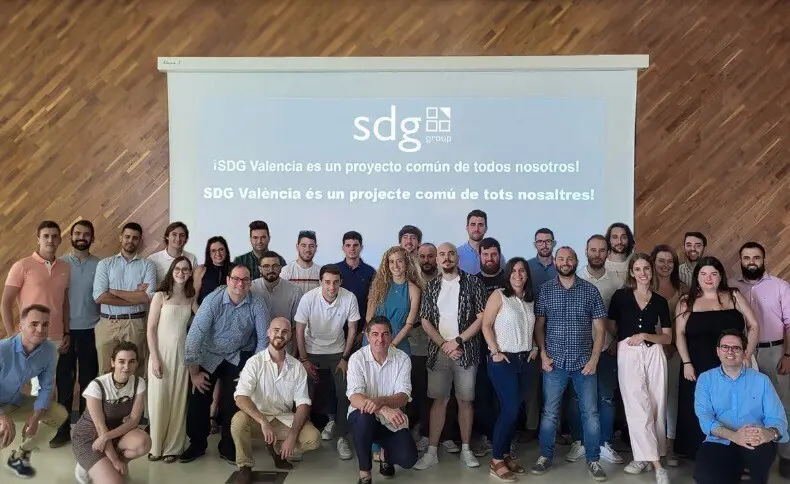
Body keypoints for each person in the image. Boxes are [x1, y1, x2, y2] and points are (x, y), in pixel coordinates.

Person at [530, 246, 608, 482]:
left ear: (576, 261)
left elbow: (600, 328)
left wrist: (594, 359)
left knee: (590, 413)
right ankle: (545, 456)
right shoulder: (545, 290)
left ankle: (593, 459)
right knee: (549, 413)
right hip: (554, 364)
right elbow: (539, 326)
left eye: (570, 259)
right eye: (561, 258)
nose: (565, 262)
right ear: (555, 262)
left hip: (585, 364)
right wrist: (543, 355)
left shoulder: (590, 290)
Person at [181, 264, 271, 463]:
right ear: (228, 280)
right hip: (209, 353)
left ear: (250, 282)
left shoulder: (257, 302)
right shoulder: (212, 301)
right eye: (236, 279)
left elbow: (263, 341)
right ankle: (197, 444)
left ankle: (229, 446)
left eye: (245, 279)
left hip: (238, 354)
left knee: (235, 398)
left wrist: (252, 372)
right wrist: (194, 373)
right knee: (199, 397)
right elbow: (194, 338)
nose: (240, 283)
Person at [674, 256, 760, 459]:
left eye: (713, 274)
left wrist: (747, 353)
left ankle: (736, 451)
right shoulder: (686, 301)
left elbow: (754, 325)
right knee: (700, 408)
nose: (709, 278)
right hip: (697, 363)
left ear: (721, 276)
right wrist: (686, 362)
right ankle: (700, 454)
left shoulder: (734, 295)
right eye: (703, 274)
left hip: (732, 362)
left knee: (734, 406)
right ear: (697, 277)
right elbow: (679, 334)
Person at [414, 242, 487, 470]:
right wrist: (444, 345)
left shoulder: (473, 282)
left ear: (457, 257)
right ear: (437, 259)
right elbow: (425, 320)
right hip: (439, 353)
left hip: (466, 351)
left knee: (465, 401)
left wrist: (458, 341)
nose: (446, 258)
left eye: (451, 254)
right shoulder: (432, 286)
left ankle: (466, 450)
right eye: (442, 254)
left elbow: (481, 317)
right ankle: (432, 452)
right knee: (439, 401)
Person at [231, 317, 321, 483]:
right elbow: (241, 397)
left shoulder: (297, 367)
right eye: (276, 330)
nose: (280, 334)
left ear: (290, 337)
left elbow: (303, 404)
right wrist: (263, 421)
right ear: (268, 333)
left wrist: (292, 436)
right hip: (258, 419)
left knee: (313, 438)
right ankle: (244, 466)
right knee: (238, 421)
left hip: (283, 418)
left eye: (285, 332)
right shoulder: (254, 362)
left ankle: (276, 450)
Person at [694, 329, 788, 484]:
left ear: (745, 353)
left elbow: (778, 419)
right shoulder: (705, 379)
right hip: (719, 440)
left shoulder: (762, 380)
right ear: (718, 351)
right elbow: (705, 418)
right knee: (706, 476)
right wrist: (734, 436)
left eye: (736, 348)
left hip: (755, 439)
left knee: (754, 475)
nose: (730, 352)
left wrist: (770, 433)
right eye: (725, 347)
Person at [609, 254, 672, 482]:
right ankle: (656, 465)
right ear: (631, 272)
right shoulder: (620, 296)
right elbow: (611, 325)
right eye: (638, 269)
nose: (643, 273)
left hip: (654, 352)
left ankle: (644, 457)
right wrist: (624, 340)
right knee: (637, 406)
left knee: (656, 405)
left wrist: (646, 335)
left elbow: (667, 338)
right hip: (628, 352)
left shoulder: (660, 301)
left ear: (651, 271)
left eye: (646, 268)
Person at [732, 241, 790, 477]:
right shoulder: (732, 288)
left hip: (774, 351)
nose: (751, 262)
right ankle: (749, 458)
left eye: (756, 258)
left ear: (764, 260)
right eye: (747, 258)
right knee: (747, 407)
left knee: (783, 405)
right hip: (742, 354)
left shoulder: (780, 286)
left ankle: (786, 456)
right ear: (741, 261)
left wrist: (788, 354)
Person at [295, 264, 360, 460]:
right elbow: (299, 330)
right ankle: (299, 437)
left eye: (335, 282)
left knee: (344, 392)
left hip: (337, 351)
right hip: (311, 350)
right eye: (327, 282)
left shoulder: (349, 297)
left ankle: (342, 437)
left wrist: (345, 358)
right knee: (304, 393)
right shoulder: (308, 298)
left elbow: (352, 330)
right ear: (320, 282)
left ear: (341, 282)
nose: (331, 287)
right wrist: (304, 359)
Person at [480, 257, 537, 482]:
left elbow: (531, 328)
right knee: (510, 409)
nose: (518, 274)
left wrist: (534, 347)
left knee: (515, 410)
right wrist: (494, 350)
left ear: (527, 274)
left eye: (522, 271)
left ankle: (504, 455)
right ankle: (496, 460)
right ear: (508, 274)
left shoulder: (530, 299)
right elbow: (486, 324)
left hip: (526, 360)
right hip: (503, 359)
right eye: (513, 271)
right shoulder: (499, 295)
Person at [2, 221, 70, 396]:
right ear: (38, 239)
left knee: (46, 388)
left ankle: (38, 415)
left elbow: (64, 302)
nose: (50, 240)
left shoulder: (65, 268)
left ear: (60, 240)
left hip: (54, 336)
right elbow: (6, 302)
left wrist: (66, 332)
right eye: (46, 236)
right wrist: (11, 334)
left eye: (54, 236)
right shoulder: (22, 266)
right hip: (29, 336)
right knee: (30, 387)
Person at [347, 315, 418, 484]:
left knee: (408, 459)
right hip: (363, 417)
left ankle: (385, 455)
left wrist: (381, 402)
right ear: (367, 336)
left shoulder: (402, 359)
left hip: (391, 419)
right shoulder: (357, 358)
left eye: (385, 334)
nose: (380, 339)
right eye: (375, 334)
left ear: (391, 336)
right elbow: (354, 397)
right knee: (364, 418)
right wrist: (382, 408)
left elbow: (403, 397)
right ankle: (365, 474)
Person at [0, 305, 69, 478]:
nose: (40, 329)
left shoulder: (48, 350)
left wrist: (36, 416)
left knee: (58, 413)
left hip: (15, 401)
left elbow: (46, 386)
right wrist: (2, 417)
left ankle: (19, 455)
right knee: (4, 432)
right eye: (34, 324)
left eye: (45, 324)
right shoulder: (2, 349)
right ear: (21, 326)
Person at [50, 220, 101, 448]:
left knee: (89, 382)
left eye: (86, 234)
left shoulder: (101, 265)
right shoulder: (60, 264)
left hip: (93, 331)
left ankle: (83, 431)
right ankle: (62, 430)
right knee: (65, 382)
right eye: (77, 233)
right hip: (66, 332)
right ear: (70, 236)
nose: (82, 237)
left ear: (92, 238)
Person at [72, 342, 150, 484]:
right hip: (90, 438)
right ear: (113, 362)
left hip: (112, 434)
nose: (126, 367)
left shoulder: (139, 383)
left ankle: (110, 466)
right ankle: (87, 466)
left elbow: (134, 421)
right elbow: (100, 427)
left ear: (137, 363)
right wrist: (114, 460)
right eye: (121, 361)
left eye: (131, 361)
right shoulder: (97, 386)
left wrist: (107, 437)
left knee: (143, 442)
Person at [146, 257, 197, 462]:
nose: (181, 273)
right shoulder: (160, 295)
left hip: (181, 356)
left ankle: (173, 448)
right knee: (158, 400)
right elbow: (150, 329)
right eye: (177, 269)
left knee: (178, 401)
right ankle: (155, 446)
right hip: (161, 354)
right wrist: (155, 358)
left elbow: (202, 319)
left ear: (190, 273)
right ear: (172, 270)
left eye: (185, 269)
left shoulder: (191, 297)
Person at [92, 222, 157, 376]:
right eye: (127, 236)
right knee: (106, 372)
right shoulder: (105, 264)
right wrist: (134, 297)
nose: (130, 241)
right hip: (108, 324)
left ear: (140, 241)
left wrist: (113, 291)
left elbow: (147, 297)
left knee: (135, 372)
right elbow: (99, 296)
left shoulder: (148, 265)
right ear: (121, 238)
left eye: (135, 238)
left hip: (135, 324)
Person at [650, 244, 687, 466]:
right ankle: (651, 446)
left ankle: (671, 446)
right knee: (651, 398)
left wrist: (672, 344)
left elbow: (687, 321)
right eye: (661, 261)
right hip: (649, 349)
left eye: (670, 261)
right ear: (653, 262)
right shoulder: (644, 284)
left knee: (672, 397)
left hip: (675, 350)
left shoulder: (683, 289)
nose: (665, 265)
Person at [365, 246, 421, 354]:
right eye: (391, 262)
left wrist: (392, 345)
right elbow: (369, 317)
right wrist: (379, 340)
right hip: (375, 341)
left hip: (398, 342)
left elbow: (409, 324)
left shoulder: (414, 290)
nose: (395, 265)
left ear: (406, 263)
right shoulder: (378, 286)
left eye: (399, 261)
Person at [250, 251, 303, 354]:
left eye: (275, 266)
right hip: (256, 348)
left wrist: (294, 355)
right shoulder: (251, 288)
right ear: (260, 269)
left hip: (285, 348)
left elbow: (296, 327)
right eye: (266, 266)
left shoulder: (295, 290)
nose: (271, 270)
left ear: (280, 268)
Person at [193, 236, 232, 306]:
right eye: (213, 251)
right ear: (209, 254)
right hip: (203, 310)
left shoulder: (234, 270)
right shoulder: (201, 270)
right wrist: (200, 313)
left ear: (226, 251)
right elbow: (193, 300)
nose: (218, 253)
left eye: (221, 249)